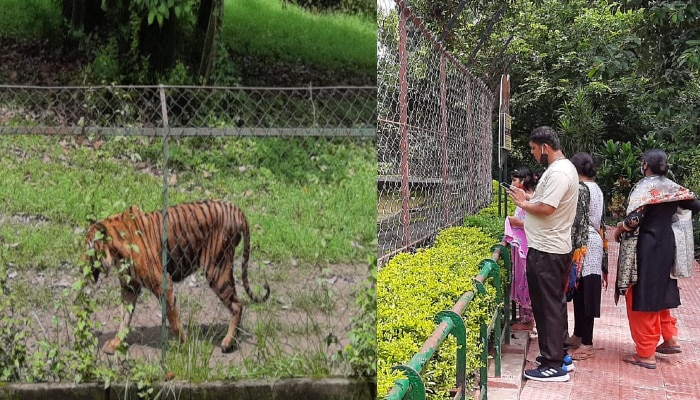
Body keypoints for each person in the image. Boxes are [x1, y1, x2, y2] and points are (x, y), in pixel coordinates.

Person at [613, 149, 700, 369]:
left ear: (644, 165)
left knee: (642, 296)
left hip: (647, 247)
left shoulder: (644, 188)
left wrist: (620, 227)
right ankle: (670, 338)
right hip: (667, 244)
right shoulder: (672, 187)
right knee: (662, 289)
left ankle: (646, 353)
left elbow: (634, 220)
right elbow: (695, 205)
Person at [505, 126, 579, 382]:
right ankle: (561, 356)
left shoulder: (559, 172)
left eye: (534, 149)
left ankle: (553, 364)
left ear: (545, 147)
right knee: (554, 305)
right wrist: (526, 197)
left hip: (547, 250)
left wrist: (523, 204)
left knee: (547, 307)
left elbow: (547, 207)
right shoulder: (563, 169)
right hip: (551, 247)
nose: (535, 154)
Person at [568, 152, 606, 361]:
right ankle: (578, 335)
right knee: (581, 291)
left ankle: (587, 342)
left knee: (587, 292)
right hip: (593, 241)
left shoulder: (582, 189)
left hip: (585, 243)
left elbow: (577, 221)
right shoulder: (596, 187)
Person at [503, 167, 537, 332]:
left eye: (515, 181)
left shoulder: (532, 199)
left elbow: (536, 223)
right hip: (522, 244)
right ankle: (525, 318)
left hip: (528, 245)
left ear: (523, 181)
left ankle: (528, 321)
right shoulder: (524, 199)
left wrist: (515, 223)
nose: (512, 184)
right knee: (522, 279)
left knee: (526, 280)